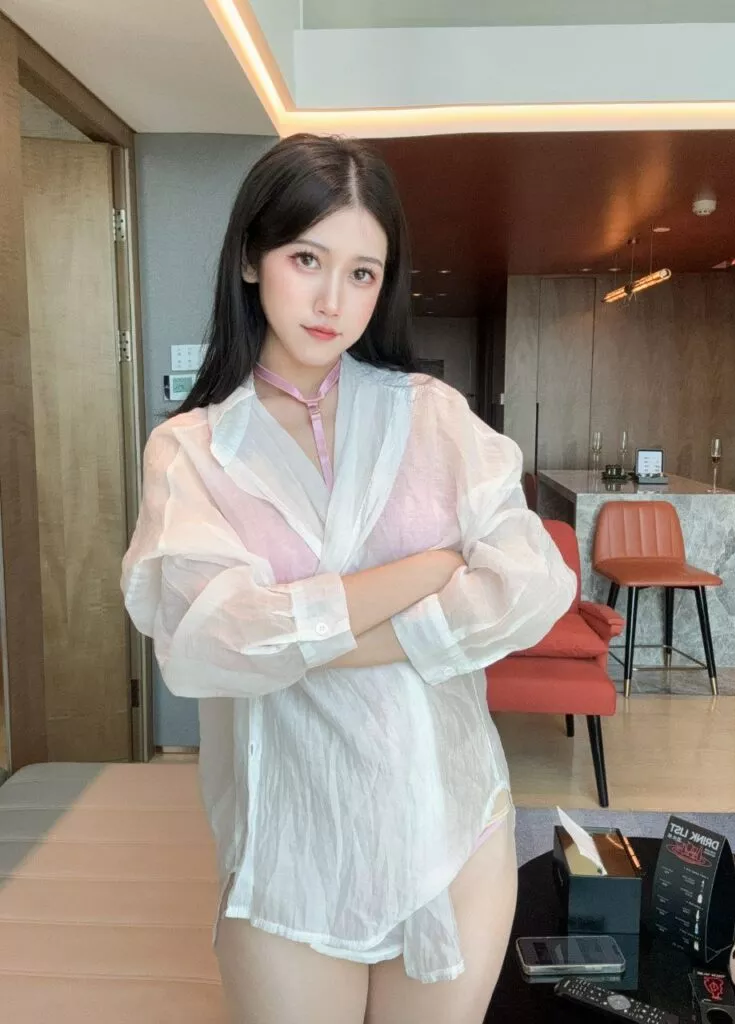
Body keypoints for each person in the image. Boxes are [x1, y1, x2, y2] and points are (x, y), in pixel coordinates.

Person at [121, 133, 576, 1024]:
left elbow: (533, 584)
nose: (333, 300)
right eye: (307, 259)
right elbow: (210, 645)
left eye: (362, 272)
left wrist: (308, 640)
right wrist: (429, 571)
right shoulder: (192, 450)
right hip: (291, 847)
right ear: (252, 258)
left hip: (451, 825)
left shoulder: (433, 417)